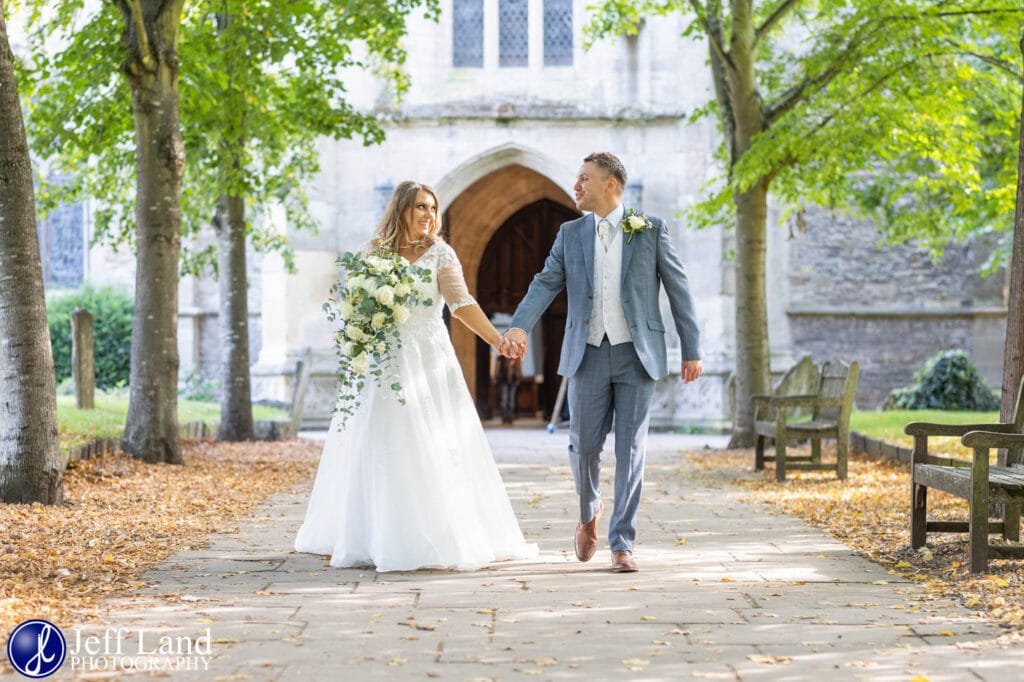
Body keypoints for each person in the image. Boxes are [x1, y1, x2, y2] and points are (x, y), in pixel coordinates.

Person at [294, 181, 538, 572]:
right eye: (420, 207)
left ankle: (434, 531)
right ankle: (376, 532)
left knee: (431, 440)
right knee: (381, 439)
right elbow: (351, 305)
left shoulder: (441, 254)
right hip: (382, 364)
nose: (428, 215)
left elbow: (461, 305)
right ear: (402, 210)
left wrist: (497, 341)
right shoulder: (372, 253)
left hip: (428, 361)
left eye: (432, 208)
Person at [503, 152, 702, 573]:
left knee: (631, 450)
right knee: (585, 448)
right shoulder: (569, 234)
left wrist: (692, 349)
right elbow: (545, 283)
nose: (576, 186)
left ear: (611, 184)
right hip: (587, 354)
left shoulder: (650, 230)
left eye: (584, 179)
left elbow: (679, 290)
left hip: (637, 355)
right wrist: (519, 326)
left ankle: (622, 541)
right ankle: (588, 515)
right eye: (577, 178)